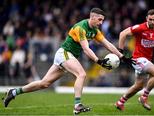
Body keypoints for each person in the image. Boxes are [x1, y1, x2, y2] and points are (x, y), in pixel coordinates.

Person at [2, 8, 133, 115]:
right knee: (81, 74)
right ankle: (77, 106)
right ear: (92, 17)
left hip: (67, 56)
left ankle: (13, 92)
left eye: (102, 20)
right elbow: (86, 49)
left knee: (44, 83)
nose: (101, 23)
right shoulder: (80, 27)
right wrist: (98, 61)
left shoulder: (95, 31)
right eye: (99, 19)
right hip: (64, 53)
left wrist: (121, 56)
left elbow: (108, 44)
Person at [115, 9, 154, 111]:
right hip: (138, 59)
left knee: (138, 86)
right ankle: (144, 97)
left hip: (146, 60)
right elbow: (122, 34)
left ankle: (120, 102)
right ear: (146, 19)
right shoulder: (140, 27)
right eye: (150, 19)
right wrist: (120, 51)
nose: (152, 22)